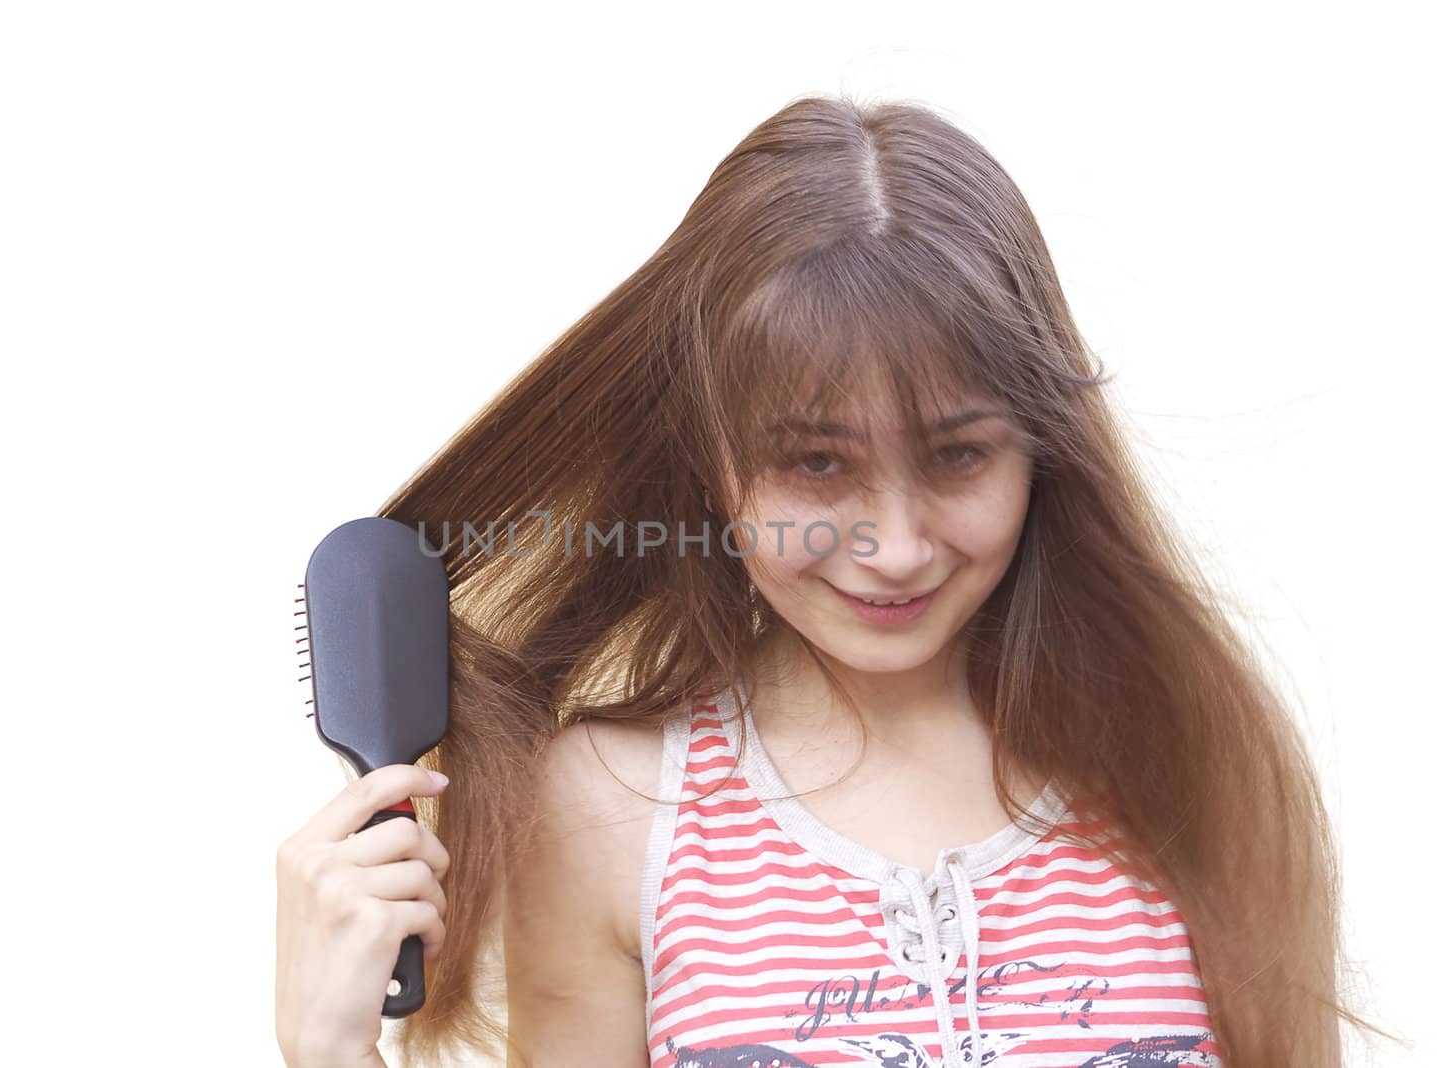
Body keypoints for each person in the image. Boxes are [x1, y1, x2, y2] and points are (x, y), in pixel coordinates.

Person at [275, 94, 1394, 1067]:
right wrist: (331, 1056)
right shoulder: (616, 813)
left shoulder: (1186, 753)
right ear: (708, 463)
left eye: (959, 454)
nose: (895, 545)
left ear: (1044, 448)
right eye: (817, 465)